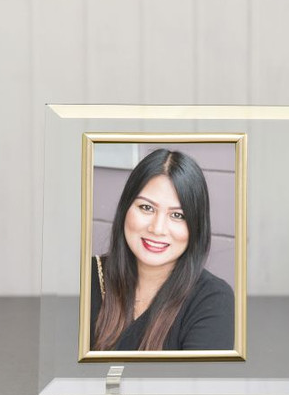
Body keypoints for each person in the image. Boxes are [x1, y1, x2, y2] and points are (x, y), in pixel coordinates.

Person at [90, 149, 235, 351]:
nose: (157, 229)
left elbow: (198, 383)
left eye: (177, 215)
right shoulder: (86, 278)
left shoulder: (212, 299)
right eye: (147, 208)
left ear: (196, 225)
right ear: (125, 208)